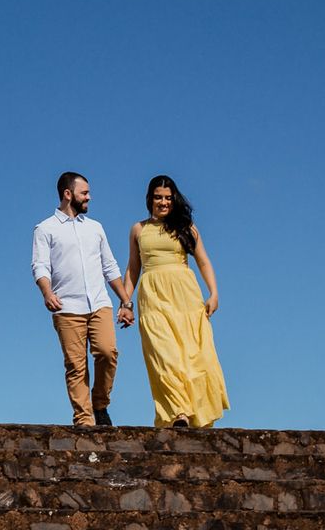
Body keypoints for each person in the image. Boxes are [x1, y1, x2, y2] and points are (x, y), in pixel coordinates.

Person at [31, 171, 135, 427]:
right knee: (76, 366)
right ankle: (84, 420)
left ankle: (100, 404)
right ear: (68, 194)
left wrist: (126, 302)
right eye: (84, 193)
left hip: (99, 303)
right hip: (67, 307)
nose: (89, 197)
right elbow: (40, 266)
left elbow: (109, 267)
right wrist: (47, 293)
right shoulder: (45, 229)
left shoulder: (95, 228)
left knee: (107, 352)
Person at [127, 174, 229, 427]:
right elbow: (133, 268)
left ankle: (196, 415)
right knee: (164, 354)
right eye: (158, 197)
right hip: (152, 296)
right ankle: (177, 413)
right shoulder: (138, 229)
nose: (163, 202)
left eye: (168, 198)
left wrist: (214, 293)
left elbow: (203, 261)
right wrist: (125, 302)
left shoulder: (186, 227)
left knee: (193, 357)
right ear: (149, 199)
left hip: (185, 295)